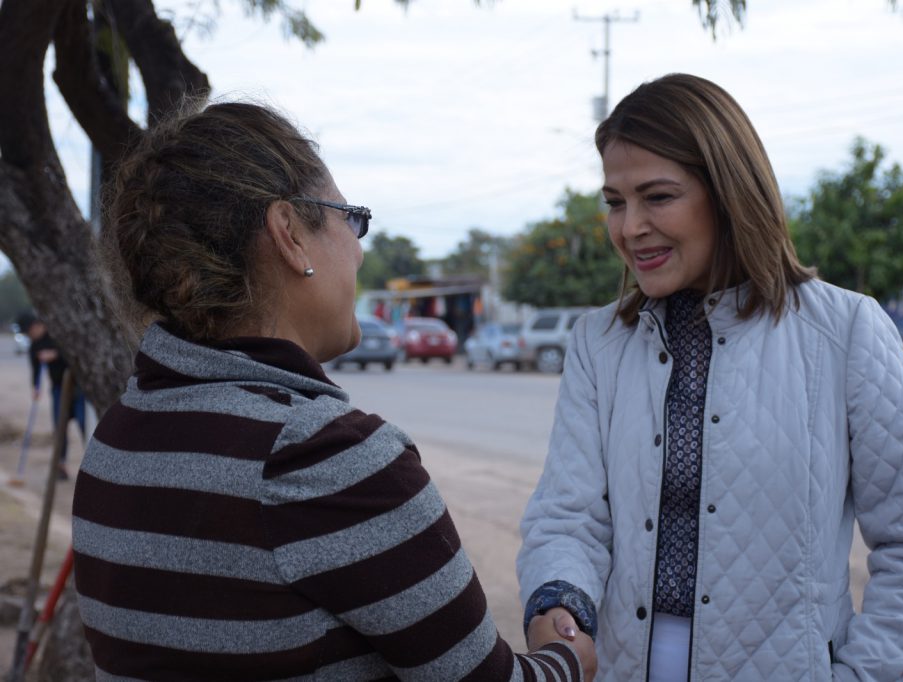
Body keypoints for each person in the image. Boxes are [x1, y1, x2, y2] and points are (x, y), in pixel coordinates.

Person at [72, 101, 595, 681]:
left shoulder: (117, 437)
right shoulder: (324, 461)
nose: (360, 247)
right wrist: (568, 657)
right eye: (350, 217)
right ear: (289, 234)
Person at [516, 73, 903, 682]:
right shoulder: (600, 344)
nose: (629, 226)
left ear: (727, 192)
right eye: (616, 202)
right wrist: (558, 603)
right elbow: (568, 516)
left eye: (657, 196)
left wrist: (863, 675)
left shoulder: (847, 332)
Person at [25, 315, 87, 480]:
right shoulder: (34, 345)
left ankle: (92, 465)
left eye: (31, 331)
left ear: (37, 326)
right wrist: (36, 388)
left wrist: (55, 354)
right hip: (58, 388)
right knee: (59, 427)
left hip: (78, 387)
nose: (30, 335)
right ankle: (61, 466)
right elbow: (36, 368)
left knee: (83, 423)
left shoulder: (57, 335)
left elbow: (74, 352)